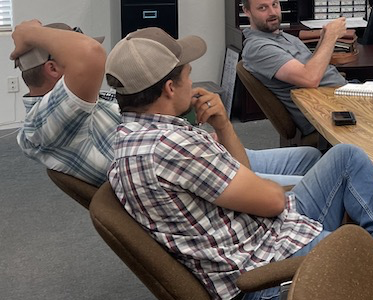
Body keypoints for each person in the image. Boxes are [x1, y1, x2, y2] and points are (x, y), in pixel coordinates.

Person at [105, 27, 373, 300]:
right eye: (189, 74)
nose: (194, 79)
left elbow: (246, 180)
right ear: (170, 89)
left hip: (257, 240)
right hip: (263, 282)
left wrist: (223, 126)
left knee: (346, 156)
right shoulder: (174, 147)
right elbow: (270, 199)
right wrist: (274, 192)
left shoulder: (132, 137)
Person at [11, 20, 321, 187]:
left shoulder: (73, 111)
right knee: (339, 175)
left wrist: (182, 112)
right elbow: (89, 54)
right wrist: (29, 32)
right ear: (53, 69)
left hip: (201, 151)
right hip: (199, 167)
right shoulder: (43, 125)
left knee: (310, 156)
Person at [240, 0, 373, 138]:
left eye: (275, 4)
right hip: (331, 108)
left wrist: (324, 39)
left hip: (345, 92)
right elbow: (309, 78)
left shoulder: (281, 36)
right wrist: (331, 38)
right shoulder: (259, 48)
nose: (273, 13)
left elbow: (311, 66)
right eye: (263, 8)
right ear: (247, 11)